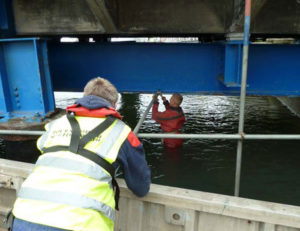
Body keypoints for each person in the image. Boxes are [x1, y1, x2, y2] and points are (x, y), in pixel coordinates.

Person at [11, 77, 151, 231]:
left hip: (25, 217)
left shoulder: (54, 125)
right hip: (80, 223)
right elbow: (140, 187)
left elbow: (46, 151)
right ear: (115, 105)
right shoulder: (122, 132)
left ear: (83, 98)